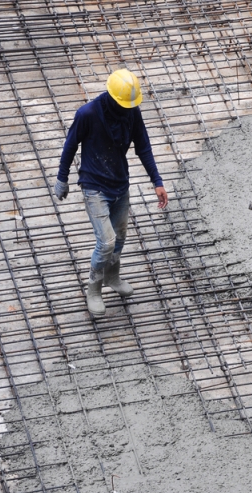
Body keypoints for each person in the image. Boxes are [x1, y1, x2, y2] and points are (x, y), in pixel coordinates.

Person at [54, 68, 168, 318]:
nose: (127, 109)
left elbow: (144, 147)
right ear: (113, 97)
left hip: (120, 184)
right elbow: (70, 145)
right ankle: (93, 289)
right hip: (95, 187)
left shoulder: (131, 112)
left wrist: (157, 181)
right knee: (106, 242)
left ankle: (112, 278)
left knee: (120, 237)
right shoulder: (88, 114)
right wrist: (62, 178)